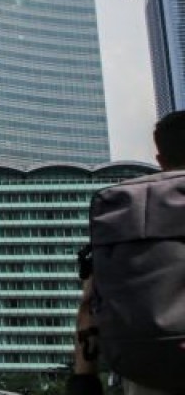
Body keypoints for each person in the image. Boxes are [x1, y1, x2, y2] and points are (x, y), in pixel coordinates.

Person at [68, 111, 185, 395]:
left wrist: (84, 380)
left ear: (160, 160)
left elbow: (89, 304)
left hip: (148, 372)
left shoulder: (121, 207)